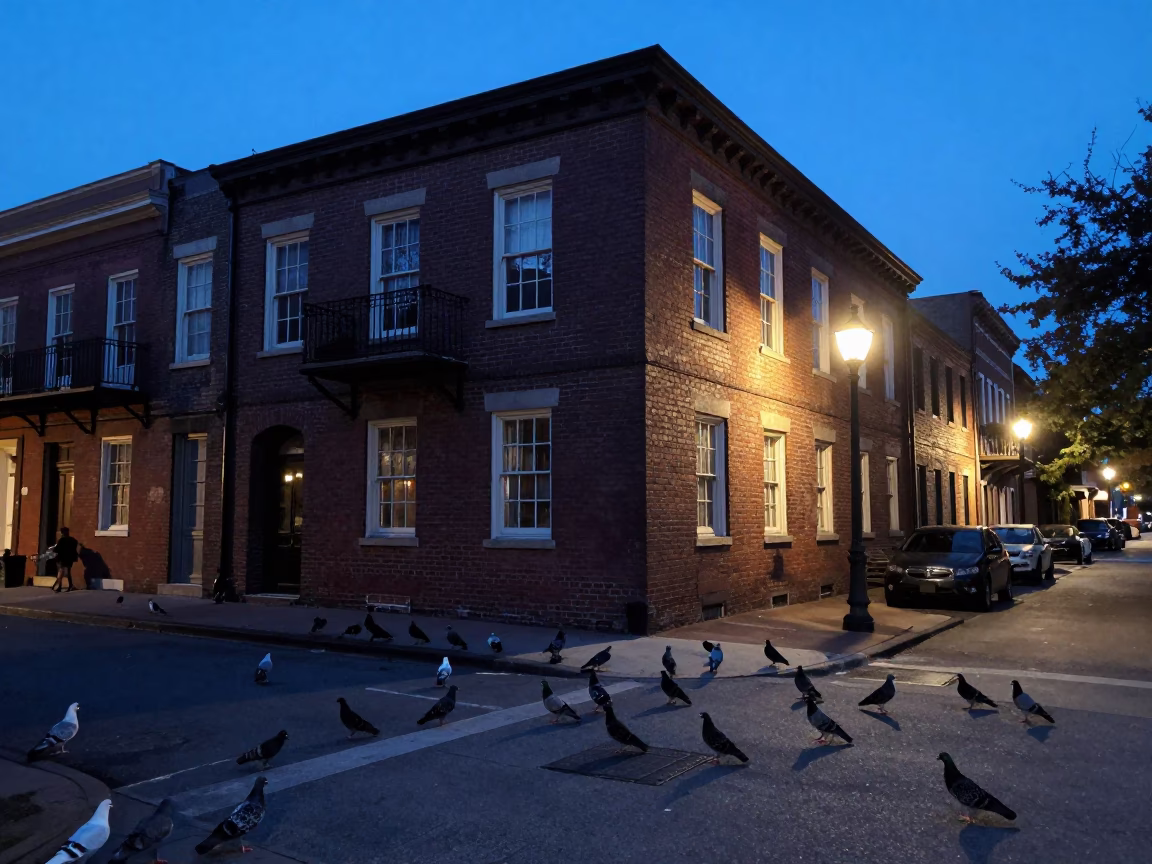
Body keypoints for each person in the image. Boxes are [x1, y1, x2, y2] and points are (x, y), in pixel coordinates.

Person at [50, 527, 81, 593]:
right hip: (70, 559)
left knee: (61, 572)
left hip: (62, 559)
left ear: (62, 533)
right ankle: (70, 586)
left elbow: (57, 550)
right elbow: (75, 546)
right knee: (68, 572)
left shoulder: (62, 540)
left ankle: (60, 587)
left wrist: (53, 550)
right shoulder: (73, 540)